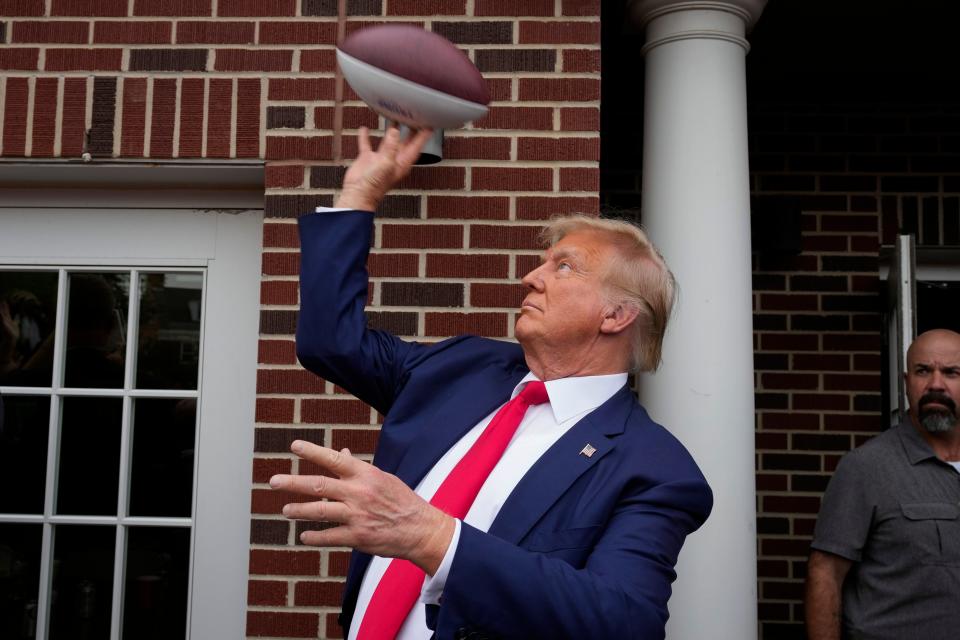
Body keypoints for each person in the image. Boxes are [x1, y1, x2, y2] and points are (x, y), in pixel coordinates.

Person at [269, 125, 712, 640]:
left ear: (615, 315)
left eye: (564, 267)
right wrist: (358, 196)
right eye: (543, 262)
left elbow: (624, 621)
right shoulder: (461, 368)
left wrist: (430, 536)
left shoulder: (654, 468)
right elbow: (330, 344)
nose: (532, 277)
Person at [805, 329, 960, 640]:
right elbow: (826, 574)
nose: (935, 385)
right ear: (906, 384)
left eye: (951, 372)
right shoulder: (866, 467)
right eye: (922, 371)